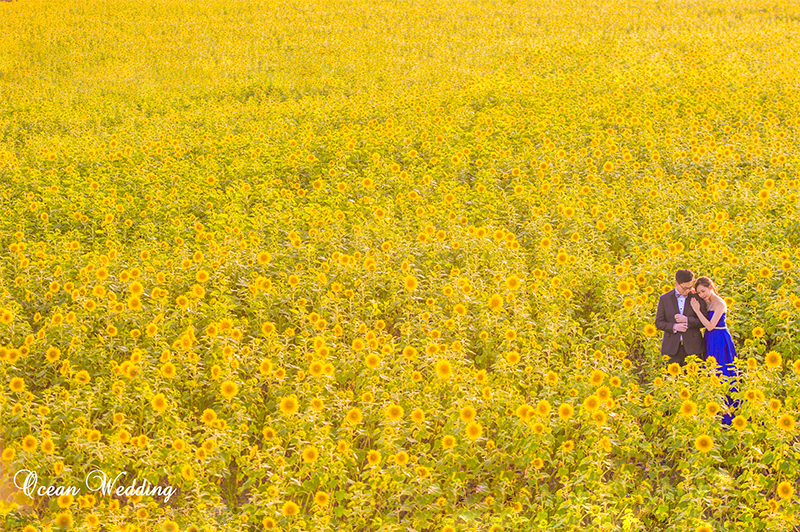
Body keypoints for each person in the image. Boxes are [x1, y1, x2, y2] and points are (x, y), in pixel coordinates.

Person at [690, 276, 739, 425]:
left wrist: (697, 311)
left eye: (703, 291)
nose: (702, 295)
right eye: (699, 293)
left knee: (723, 370)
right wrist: (693, 292)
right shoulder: (707, 300)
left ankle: (727, 411)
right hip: (710, 339)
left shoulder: (719, 303)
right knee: (710, 370)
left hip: (719, 338)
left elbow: (710, 325)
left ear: (711, 286)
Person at [655, 269, 709, 366]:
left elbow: (704, 321)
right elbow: (659, 322)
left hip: (693, 347)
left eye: (690, 287)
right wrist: (674, 327)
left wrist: (687, 320)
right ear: (676, 283)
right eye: (684, 288)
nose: (688, 291)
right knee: (670, 379)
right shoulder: (664, 299)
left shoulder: (697, 297)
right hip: (671, 348)